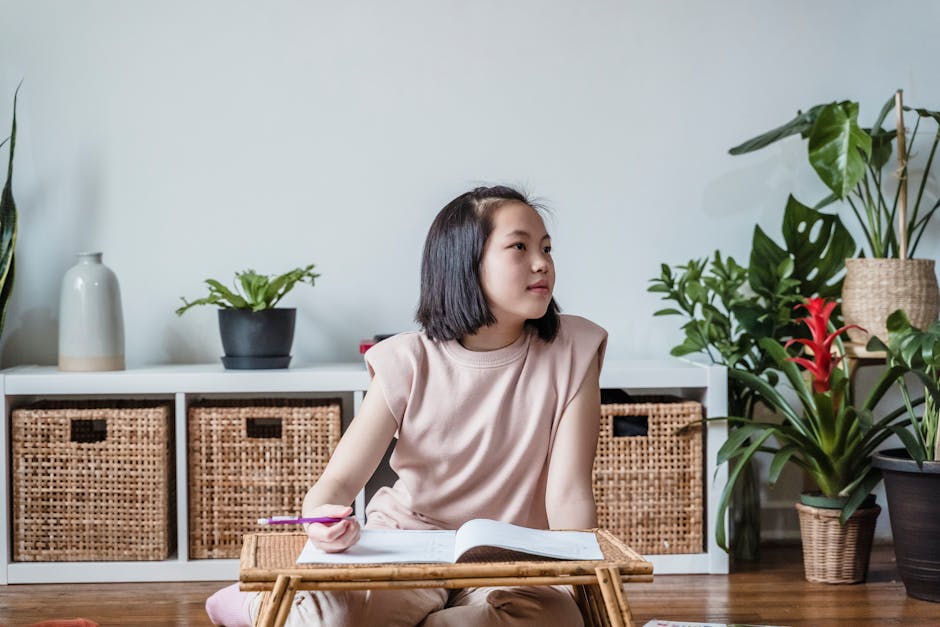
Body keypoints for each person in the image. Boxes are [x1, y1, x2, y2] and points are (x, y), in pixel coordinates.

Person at [206, 185, 607, 626]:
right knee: (337, 617)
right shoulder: (407, 359)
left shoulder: (574, 348)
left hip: (510, 561)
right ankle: (259, 606)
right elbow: (335, 485)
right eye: (519, 246)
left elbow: (569, 493)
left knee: (558, 617)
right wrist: (324, 521)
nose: (542, 262)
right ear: (463, 263)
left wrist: (581, 589)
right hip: (411, 546)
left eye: (546, 248)